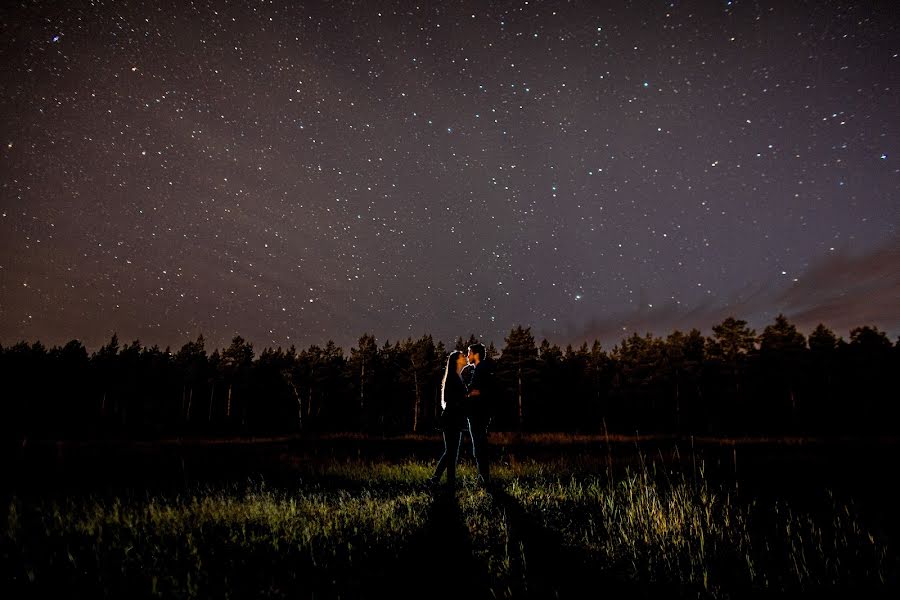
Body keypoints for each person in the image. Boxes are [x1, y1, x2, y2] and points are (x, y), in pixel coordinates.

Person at [428, 350, 469, 489]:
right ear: (457, 360)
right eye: (463, 356)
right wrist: (465, 399)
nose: (466, 358)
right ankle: (440, 481)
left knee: (451, 452)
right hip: (452, 419)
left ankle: (439, 480)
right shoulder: (453, 377)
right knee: (451, 452)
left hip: (454, 419)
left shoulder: (457, 376)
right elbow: (449, 399)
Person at [465, 342, 494, 486]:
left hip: (479, 413)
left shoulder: (482, 368)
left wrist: (475, 393)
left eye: (469, 352)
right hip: (477, 413)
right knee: (478, 445)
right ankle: (482, 477)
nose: (467, 356)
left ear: (476, 354)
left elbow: (487, 389)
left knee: (479, 445)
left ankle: (483, 479)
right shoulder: (477, 369)